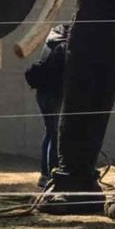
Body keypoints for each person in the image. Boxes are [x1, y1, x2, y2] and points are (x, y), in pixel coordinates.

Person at [25, 24, 70, 187]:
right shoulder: (63, 47)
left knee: (50, 133)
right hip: (54, 95)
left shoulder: (51, 43)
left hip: (44, 94)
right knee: (55, 134)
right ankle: (52, 174)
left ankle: (45, 174)